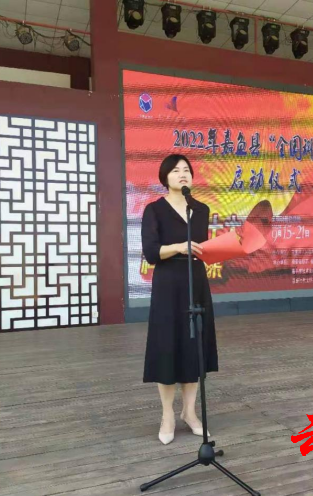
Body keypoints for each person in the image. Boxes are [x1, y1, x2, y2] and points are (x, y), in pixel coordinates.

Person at [141, 154, 219, 445]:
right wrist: (178, 247)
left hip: (195, 283)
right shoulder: (154, 210)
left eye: (187, 170)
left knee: (193, 348)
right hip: (168, 285)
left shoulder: (201, 209)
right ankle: (167, 416)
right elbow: (151, 252)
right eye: (176, 170)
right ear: (165, 177)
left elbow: (201, 247)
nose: (183, 174)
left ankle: (190, 412)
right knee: (167, 347)